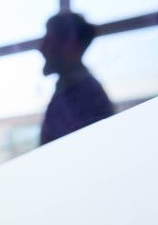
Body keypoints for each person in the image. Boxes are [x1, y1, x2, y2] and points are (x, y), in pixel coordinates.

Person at [37, 12, 115, 147]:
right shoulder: (68, 93)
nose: (42, 48)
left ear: (70, 44)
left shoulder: (87, 98)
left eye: (49, 40)